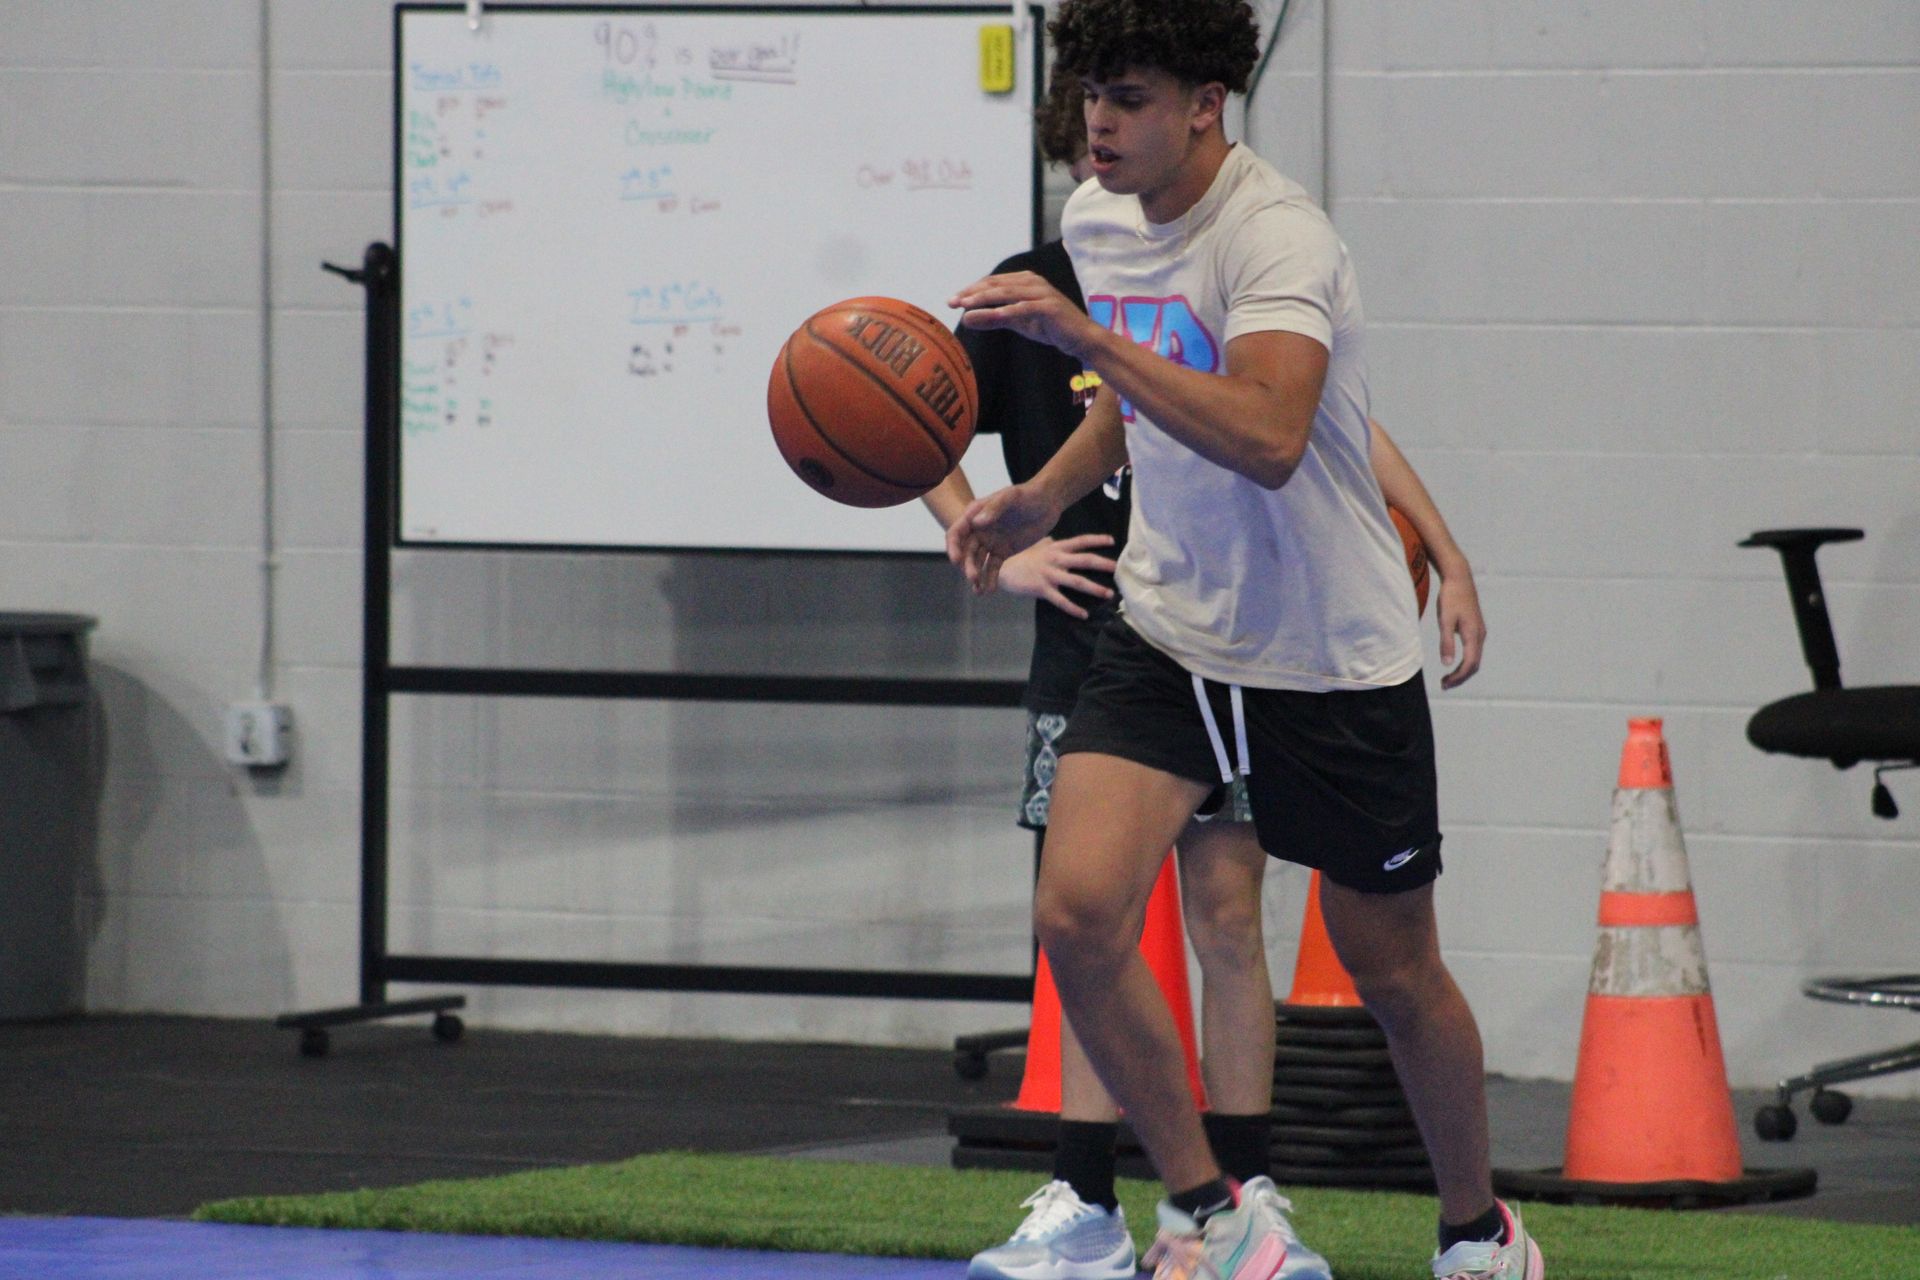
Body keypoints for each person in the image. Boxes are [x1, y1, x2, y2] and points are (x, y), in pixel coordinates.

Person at [944, 3, 1542, 1279]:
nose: (1100, 124)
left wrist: (1087, 338)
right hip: (1169, 624)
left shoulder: (1277, 237)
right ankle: (1213, 1210)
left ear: (1207, 104)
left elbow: (1270, 435)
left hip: (1326, 648)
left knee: (1394, 969)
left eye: (1132, 98)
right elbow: (1135, 403)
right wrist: (1039, 497)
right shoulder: (1099, 221)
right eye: (1091, 95)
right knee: (1078, 909)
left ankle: (1476, 1228)